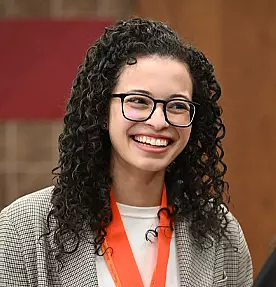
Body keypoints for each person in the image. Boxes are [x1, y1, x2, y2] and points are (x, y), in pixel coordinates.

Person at [0, 18, 253, 286]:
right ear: (102, 110)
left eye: (177, 105)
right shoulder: (23, 230)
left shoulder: (221, 234)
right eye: (138, 101)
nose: (159, 121)